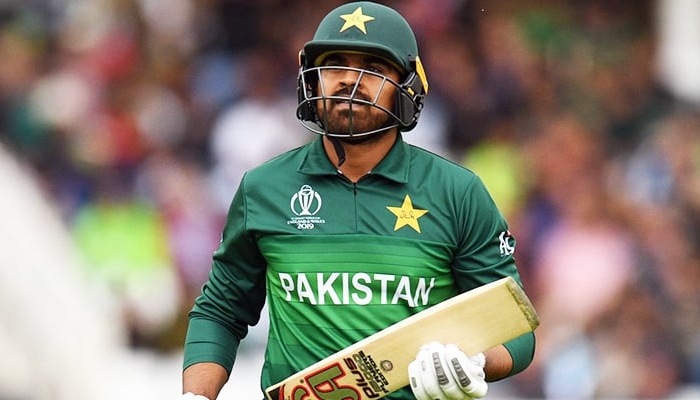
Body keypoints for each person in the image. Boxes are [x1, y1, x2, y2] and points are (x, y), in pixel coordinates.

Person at [180, 2, 536, 399]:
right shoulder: (264, 189)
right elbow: (220, 310)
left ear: (408, 87)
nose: (350, 80)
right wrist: (197, 396)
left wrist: (474, 361)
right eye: (335, 66)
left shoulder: (456, 192)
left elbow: (516, 329)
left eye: (375, 69)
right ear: (312, 82)